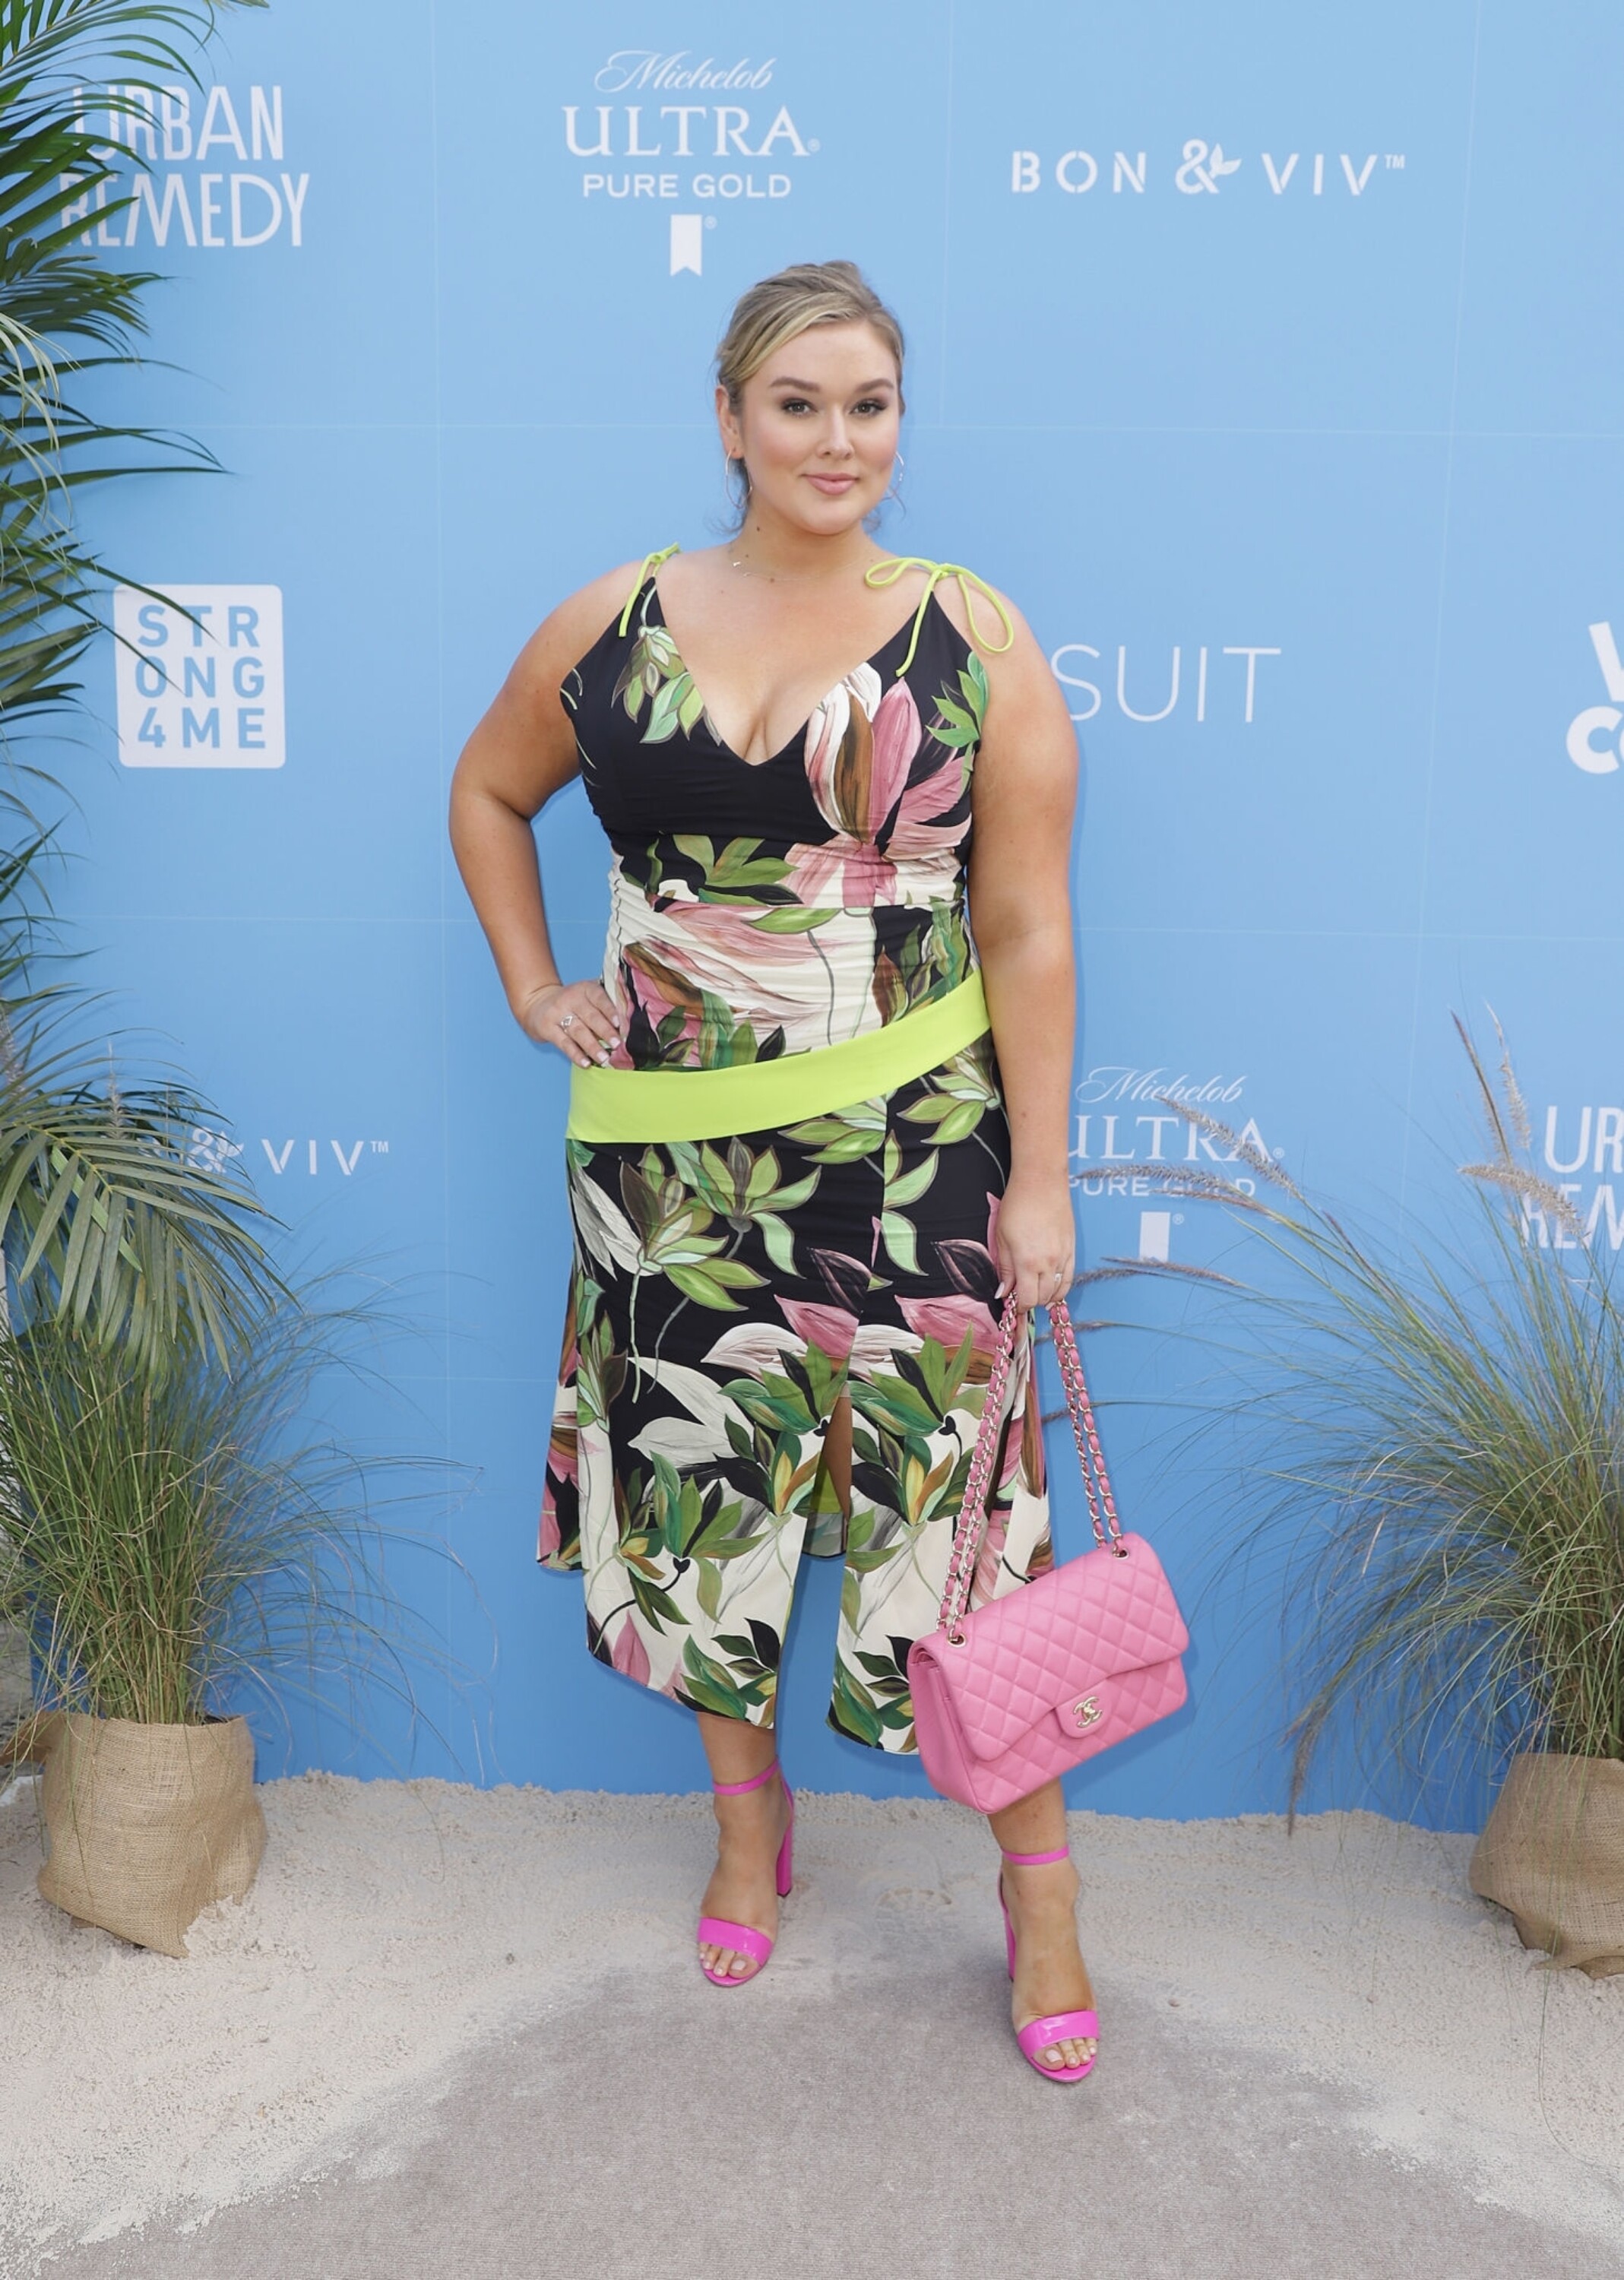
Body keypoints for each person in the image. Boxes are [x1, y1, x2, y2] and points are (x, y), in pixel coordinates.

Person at [449, 261, 1094, 2079]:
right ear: (728, 418)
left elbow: (1027, 928)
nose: (837, 440)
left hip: (919, 1163)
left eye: (869, 404)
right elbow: (486, 793)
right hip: (669, 1182)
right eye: (798, 403)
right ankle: (748, 1830)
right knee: (699, 1511)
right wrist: (535, 987)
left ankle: (1041, 1894)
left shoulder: (972, 635)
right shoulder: (614, 618)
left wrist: (1040, 1180)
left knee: (959, 1540)